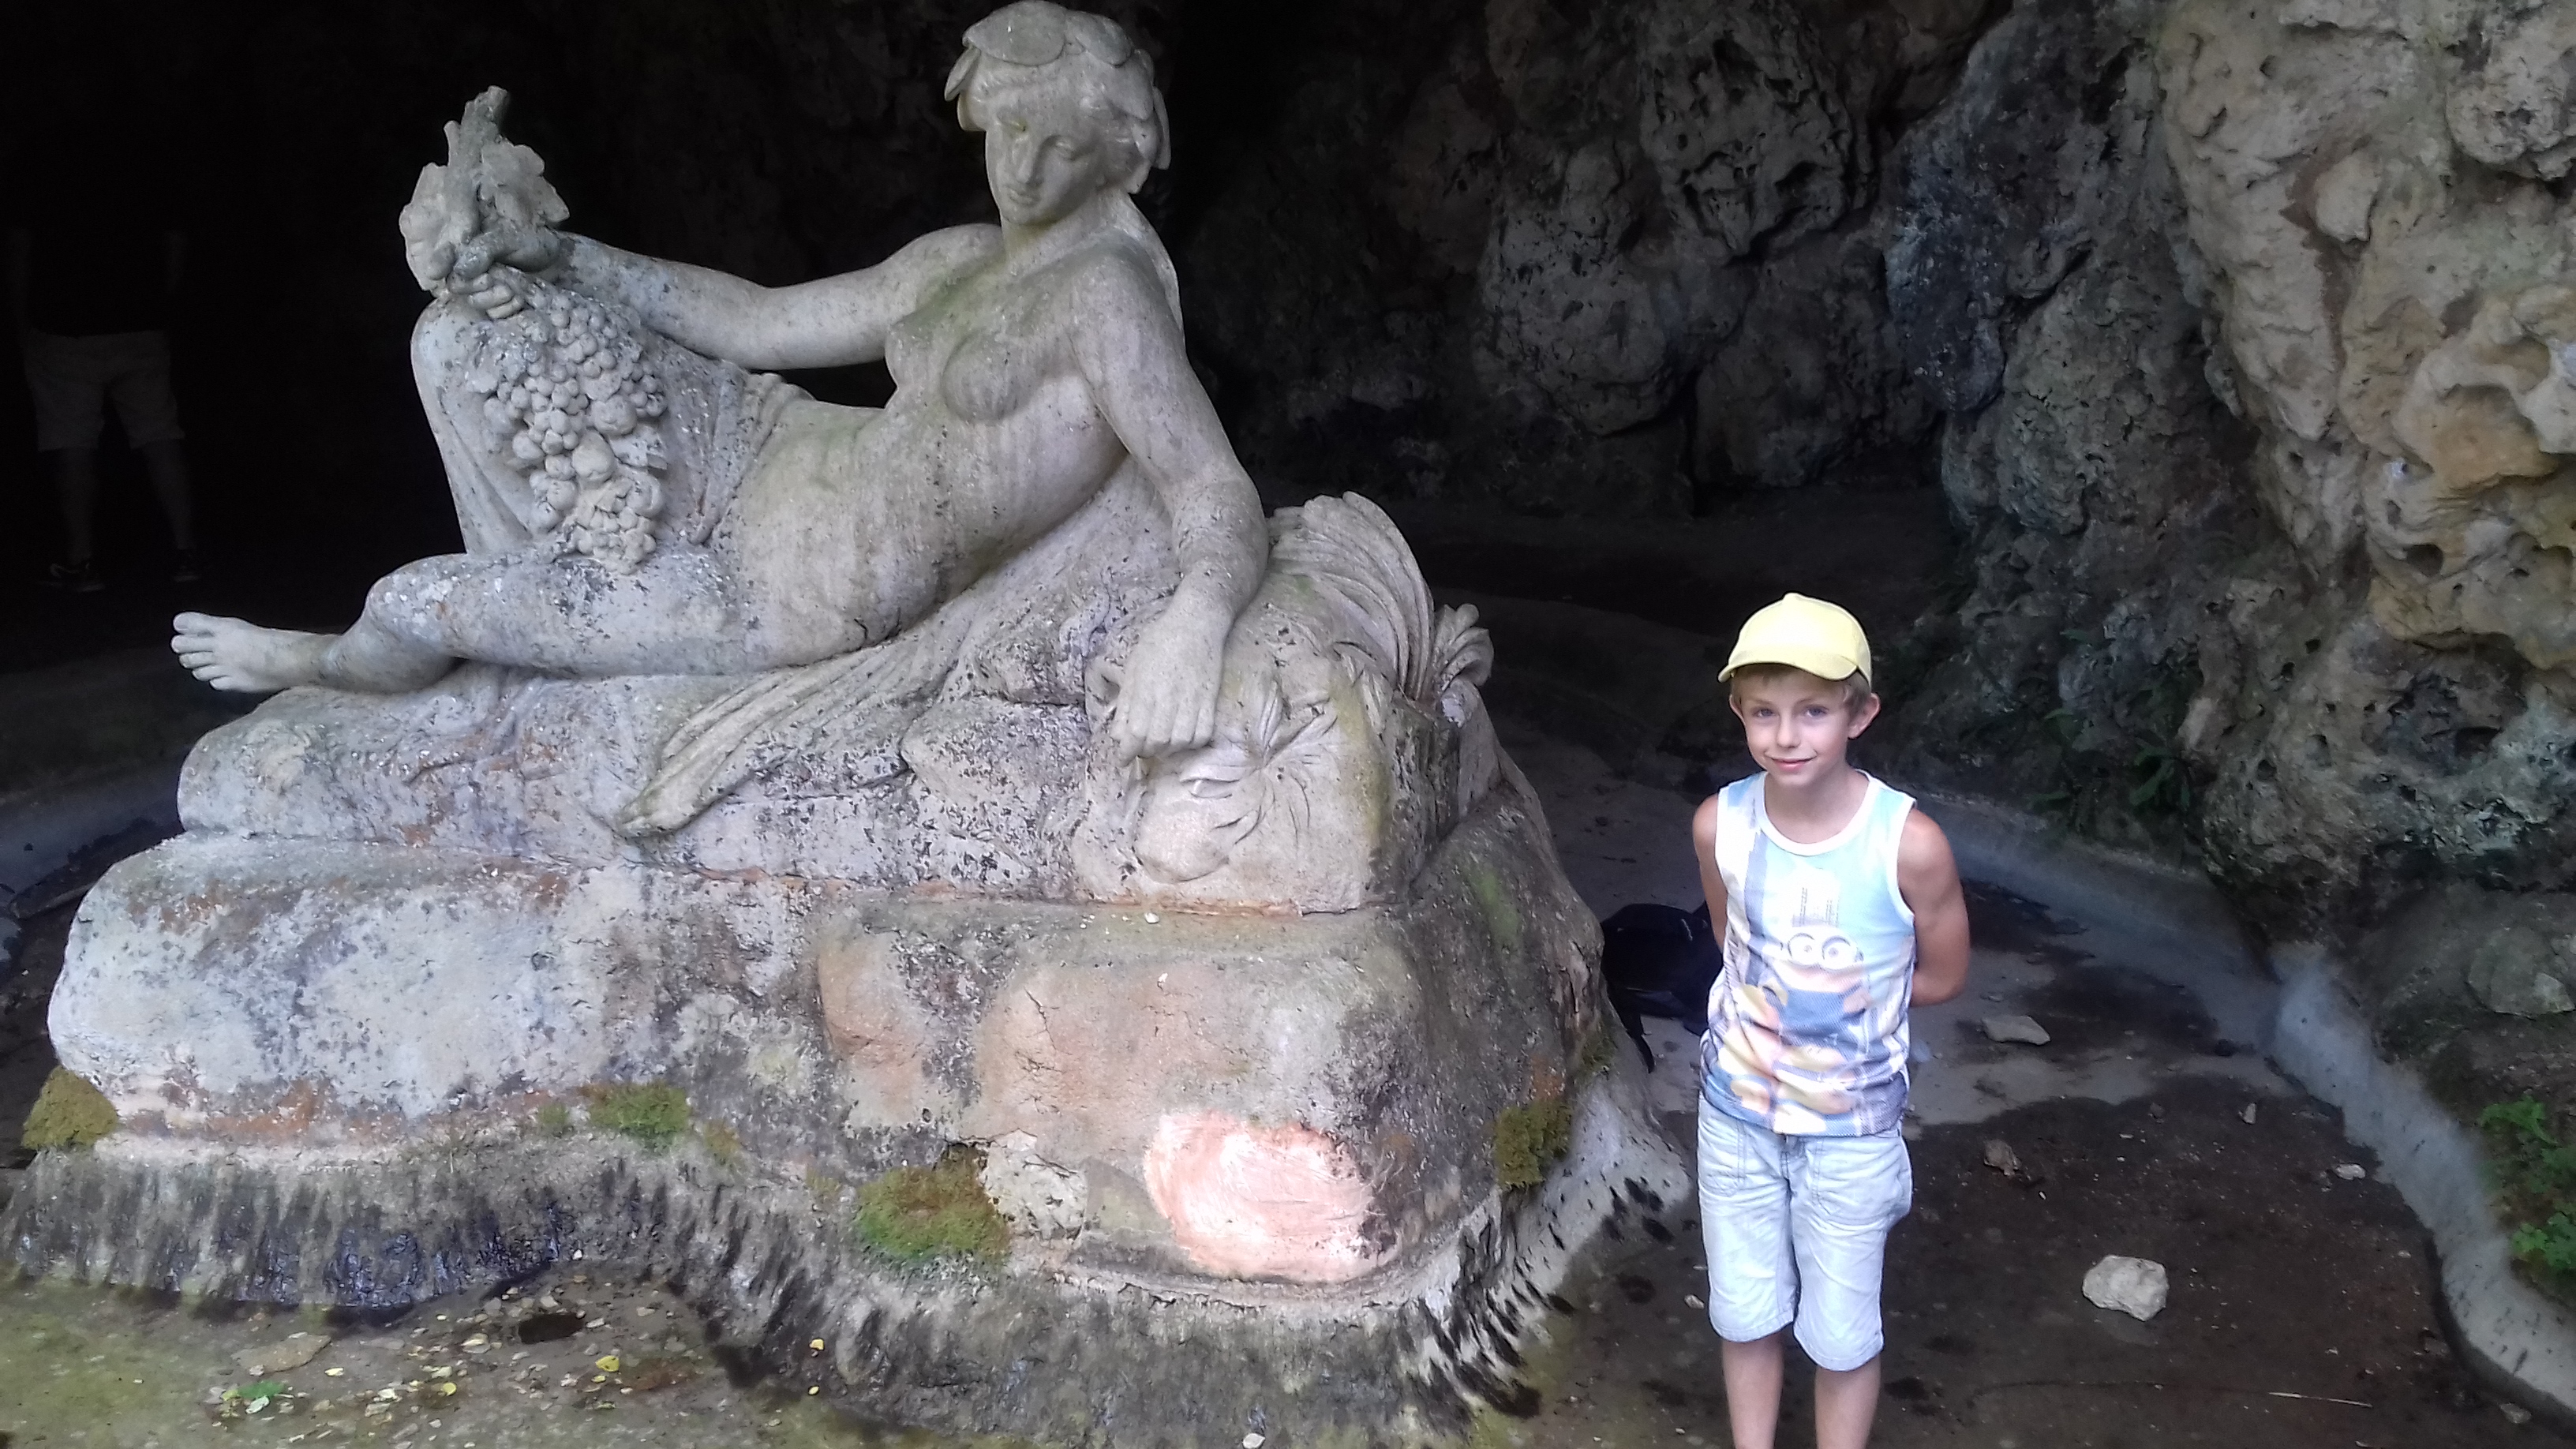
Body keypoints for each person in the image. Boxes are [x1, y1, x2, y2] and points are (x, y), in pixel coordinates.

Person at [172, 2, 1261, 761]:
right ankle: (512, 618)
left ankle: (322, 659)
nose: (1022, 168)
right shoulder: (959, 260)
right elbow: (759, 319)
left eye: (1061, 148)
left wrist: (1196, 623)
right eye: (1009, 130)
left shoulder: (1102, 297)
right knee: (467, 332)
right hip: (764, 441)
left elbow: (1210, 485)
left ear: (1114, 159)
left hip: (771, 593)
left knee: (413, 601)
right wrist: (568, 256)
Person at [1689, 592, 1971, 1449]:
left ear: (1861, 714)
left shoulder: (1908, 844)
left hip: (1850, 1133)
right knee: (1744, 1311)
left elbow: (1944, 974)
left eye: (1813, 710)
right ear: (1739, 712)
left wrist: (1847, 1007)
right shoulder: (1720, 825)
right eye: (1764, 712)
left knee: (1843, 1333)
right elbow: (1732, 943)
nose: (1787, 735)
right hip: (1735, 1116)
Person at [7, 129, 200, 591]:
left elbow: (17, 250)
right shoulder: (144, 158)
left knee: (71, 442)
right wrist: (161, 305)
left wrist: (19, 324)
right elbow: (175, 240)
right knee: (160, 435)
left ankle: (82, 560)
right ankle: (186, 551)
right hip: (139, 325)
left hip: (64, 329)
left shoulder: (41, 163)